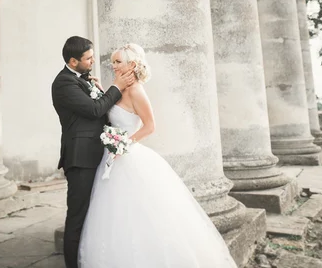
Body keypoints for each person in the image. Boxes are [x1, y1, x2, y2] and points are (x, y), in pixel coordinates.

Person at [77, 43, 237, 268]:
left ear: (132, 64)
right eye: (112, 61)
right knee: (115, 215)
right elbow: (110, 109)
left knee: (143, 211)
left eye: (117, 62)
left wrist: (124, 144)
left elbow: (150, 126)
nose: (113, 65)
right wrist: (103, 89)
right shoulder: (120, 88)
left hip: (129, 156)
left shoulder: (136, 90)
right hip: (113, 157)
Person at [51, 36, 135, 268]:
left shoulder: (82, 79)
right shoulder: (64, 83)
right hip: (80, 159)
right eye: (88, 59)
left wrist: (98, 90)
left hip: (96, 155)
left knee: (93, 215)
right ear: (73, 61)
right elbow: (95, 110)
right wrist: (116, 87)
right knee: (77, 217)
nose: (92, 62)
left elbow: (100, 109)